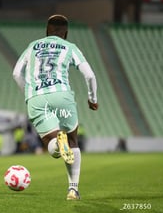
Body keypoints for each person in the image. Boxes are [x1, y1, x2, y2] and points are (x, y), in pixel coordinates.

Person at [12, 14, 98, 200]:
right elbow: (90, 75)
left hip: (37, 98)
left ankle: (58, 144)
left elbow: (16, 73)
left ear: (46, 31)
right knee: (72, 140)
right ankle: (73, 189)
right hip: (62, 96)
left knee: (51, 145)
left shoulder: (33, 46)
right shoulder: (70, 47)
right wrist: (92, 98)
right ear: (65, 33)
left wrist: (28, 93)